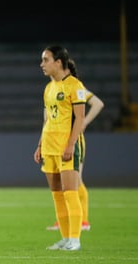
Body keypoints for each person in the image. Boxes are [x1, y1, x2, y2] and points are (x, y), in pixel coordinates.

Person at [34, 45, 87, 251]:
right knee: (57, 194)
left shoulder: (75, 86)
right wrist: (40, 144)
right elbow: (47, 120)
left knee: (70, 192)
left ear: (58, 62)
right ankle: (65, 238)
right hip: (50, 146)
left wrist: (71, 144)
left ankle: (75, 239)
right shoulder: (48, 88)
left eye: (45, 60)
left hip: (67, 146)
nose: (42, 64)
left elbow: (80, 118)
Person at [46, 59, 105, 231]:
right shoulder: (51, 91)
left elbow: (98, 103)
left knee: (75, 180)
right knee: (60, 183)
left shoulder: (74, 88)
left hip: (71, 141)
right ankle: (64, 221)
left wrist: (84, 122)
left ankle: (83, 221)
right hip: (54, 142)